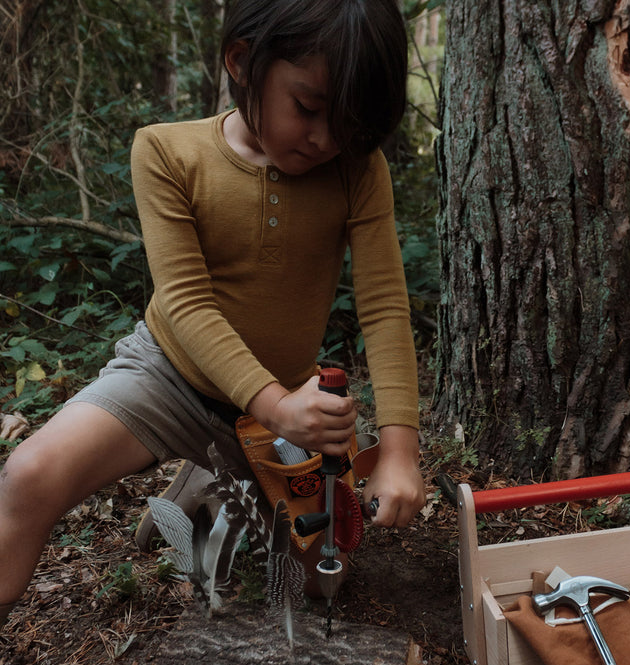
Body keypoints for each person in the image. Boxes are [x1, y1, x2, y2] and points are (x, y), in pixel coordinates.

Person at [0, 0, 426, 630]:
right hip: (167, 377)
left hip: (282, 405)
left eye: (347, 123)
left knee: (320, 580)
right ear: (243, 61)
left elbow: (385, 307)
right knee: (30, 475)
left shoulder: (357, 171)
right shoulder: (168, 153)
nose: (324, 138)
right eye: (308, 107)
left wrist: (399, 450)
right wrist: (279, 406)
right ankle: (209, 473)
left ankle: (207, 488)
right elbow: (186, 302)